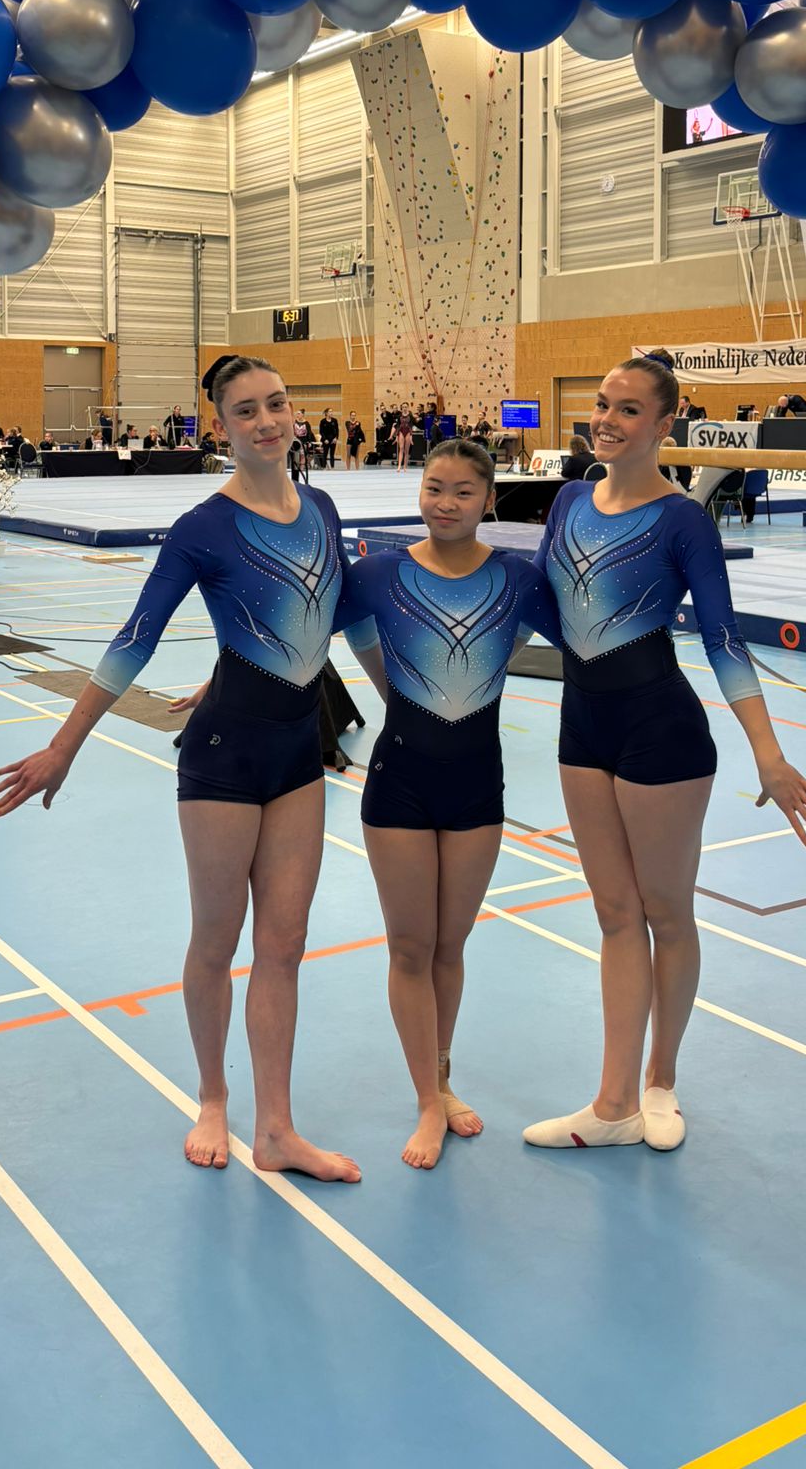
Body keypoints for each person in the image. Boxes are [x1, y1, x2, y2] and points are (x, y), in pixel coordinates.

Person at [0, 354, 361, 1184]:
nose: (267, 421)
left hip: (298, 752)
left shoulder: (324, 508)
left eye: (277, 403)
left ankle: (278, 1128)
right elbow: (134, 640)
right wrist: (64, 746)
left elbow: (326, 614)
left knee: (285, 944)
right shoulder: (203, 527)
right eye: (246, 411)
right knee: (217, 940)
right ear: (221, 427)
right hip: (225, 758)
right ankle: (214, 1098)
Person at [524, 355, 806, 1154]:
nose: (607, 419)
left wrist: (768, 754)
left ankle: (659, 1079)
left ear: (665, 425)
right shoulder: (569, 499)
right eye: (602, 403)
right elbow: (545, 607)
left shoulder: (682, 520)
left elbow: (725, 639)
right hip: (581, 726)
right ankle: (612, 1104)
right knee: (614, 915)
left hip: (660, 730)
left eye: (628, 409)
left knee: (666, 912)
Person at [343, 440, 560, 1168]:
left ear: (488, 500)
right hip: (399, 780)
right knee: (410, 946)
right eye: (434, 488)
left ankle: (441, 1078)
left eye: (463, 491)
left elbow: (586, 643)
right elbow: (305, 635)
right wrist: (218, 681)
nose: (445, 503)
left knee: (449, 945)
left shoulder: (518, 580)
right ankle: (427, 1102)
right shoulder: (378, 573)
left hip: (476, 784)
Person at [393, 406, 414, 470]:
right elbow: (398, 426)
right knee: (401, 448)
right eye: (403, 407)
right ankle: (399, 465)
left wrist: (411, 436)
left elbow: (411, 426)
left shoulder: (410, 416)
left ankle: (405, 466)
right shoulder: (399, 416)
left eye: (406, 407)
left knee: (406, 450)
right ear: (402, 408)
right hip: (401, 432)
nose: (404, 408)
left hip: (408, 432)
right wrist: (396, 436)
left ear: (407, 408)